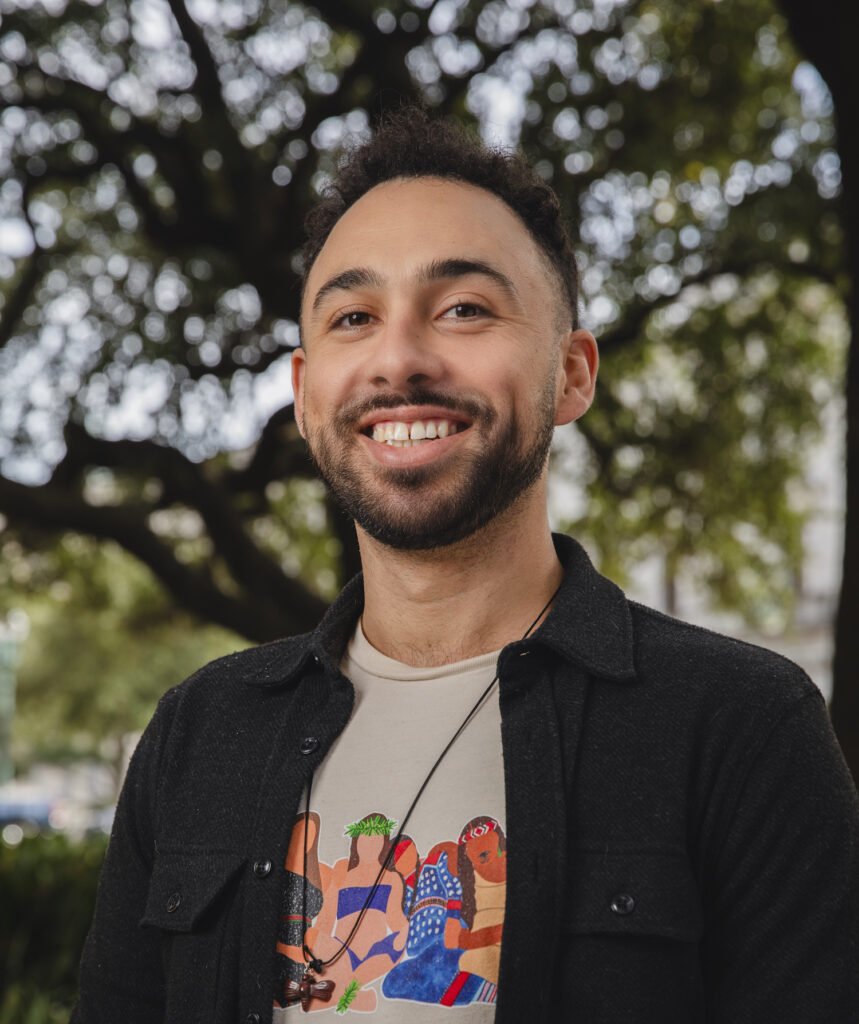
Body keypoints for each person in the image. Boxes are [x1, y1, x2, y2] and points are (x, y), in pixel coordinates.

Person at [72, 107, 859, 1024]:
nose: (399, 358)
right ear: (302, 391)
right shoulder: (196, 731)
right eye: (354, 317)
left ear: (570, 373)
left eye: (463, 310)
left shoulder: (742, 728)